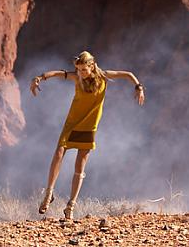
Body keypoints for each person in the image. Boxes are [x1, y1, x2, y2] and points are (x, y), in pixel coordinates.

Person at [30, 51, 145, 220]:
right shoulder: (77, 78)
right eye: (78, 69)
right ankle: (49, 193)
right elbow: (56, 73)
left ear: (92, 66)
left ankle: (71, 205)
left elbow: (128, 74)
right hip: (72, 123)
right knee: (59, 152)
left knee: (80, 166)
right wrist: (39, 78)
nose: (80, 73)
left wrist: (139, 88)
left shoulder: (104, 77)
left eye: (83, 69)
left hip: (90, 126)